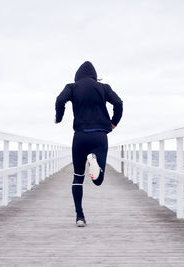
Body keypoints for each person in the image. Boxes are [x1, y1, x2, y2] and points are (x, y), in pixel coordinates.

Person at [55, 61, 123, 227]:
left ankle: (79, 216)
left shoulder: (72, 87)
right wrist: (113, 123)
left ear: (77, 75)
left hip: (80, 137)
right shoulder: (104, 87)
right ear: (94, 75)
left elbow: (59, 100)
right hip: (99, 136)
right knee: (98, 180)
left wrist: (59, 117)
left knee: (78, 177)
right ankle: (93, 161)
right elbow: (119, 103)